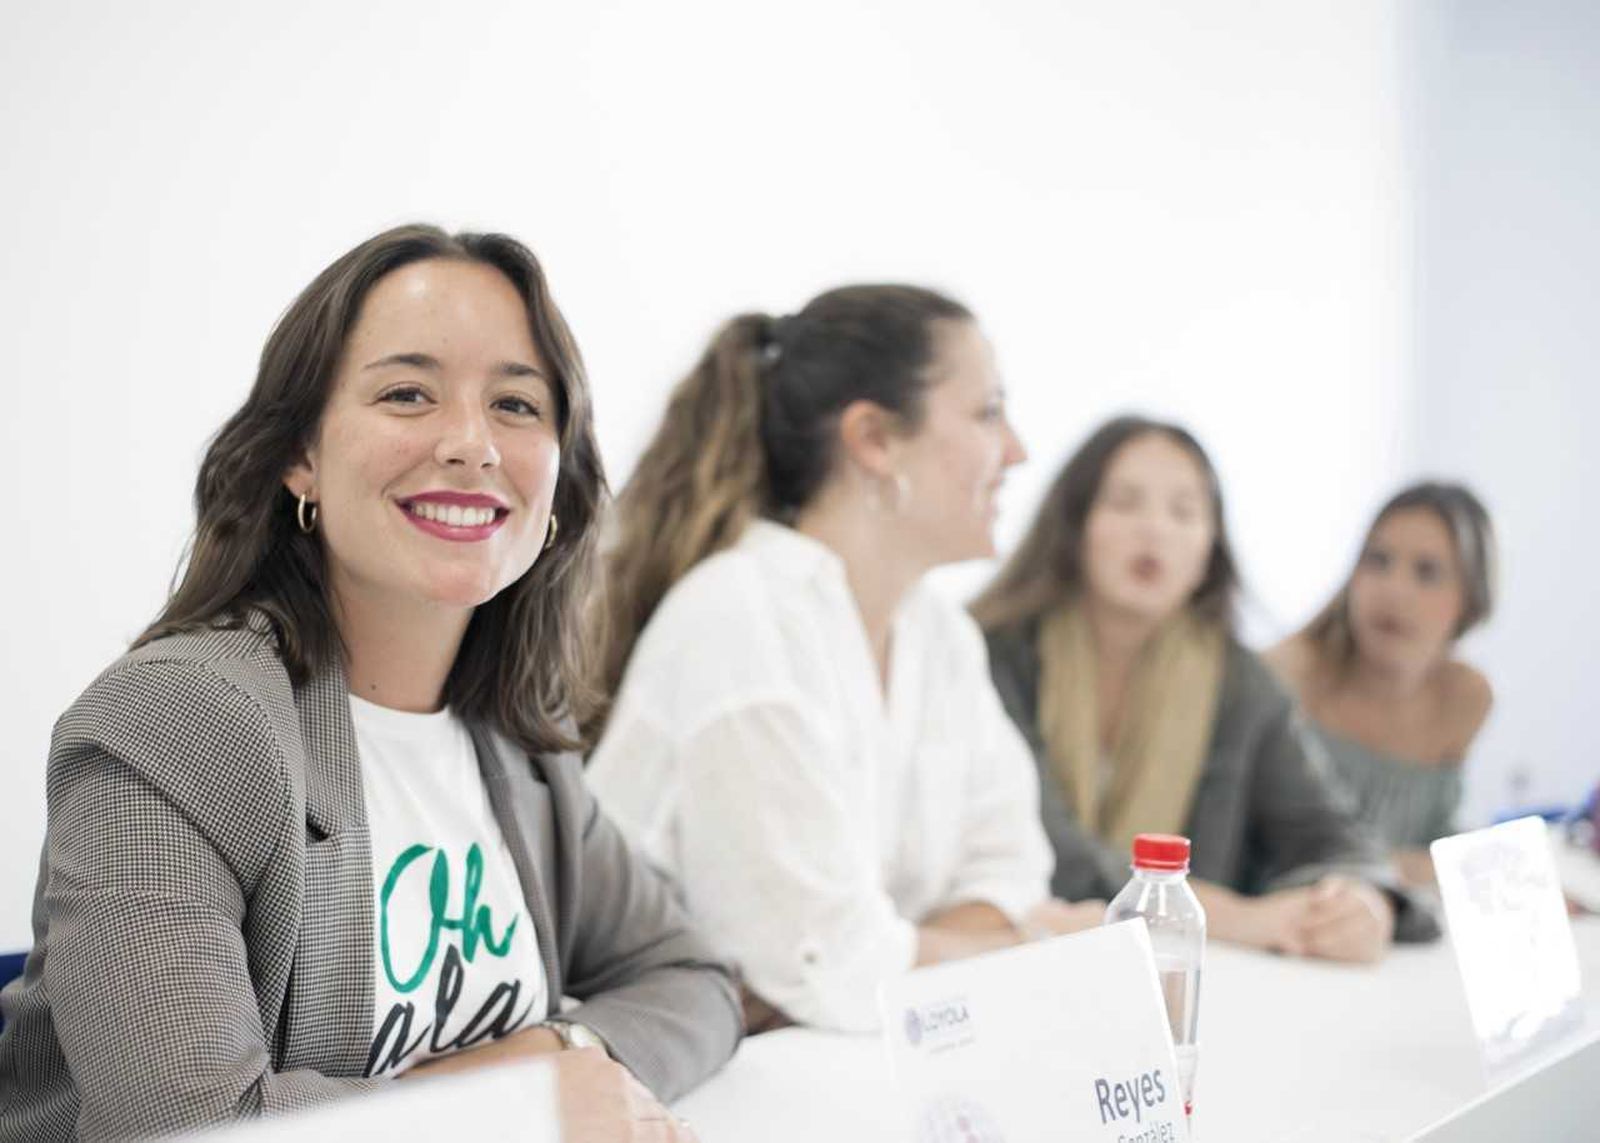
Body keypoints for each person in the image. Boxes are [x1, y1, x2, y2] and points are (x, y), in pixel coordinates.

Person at [0, 225, 738, 1143]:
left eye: (516, 404)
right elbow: (184, 1129)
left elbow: (695, 979)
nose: (471, 444)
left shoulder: (517, 745)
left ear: (558, 483)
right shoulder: (179, 722)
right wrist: (512, 1104)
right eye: (407, 394)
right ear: (299, 457)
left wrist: (558, 1046)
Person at [586, 286, 1102, 1033]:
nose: (1017, 450)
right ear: (874, 438)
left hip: (828, 1065)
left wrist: (923, 950)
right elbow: (830, 970)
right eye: (988, 411)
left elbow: (1015, 870)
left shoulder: (941, 635)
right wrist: (1030, 945)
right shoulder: (741, 620)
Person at [973, 415, 1438, 963]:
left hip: (1184, 992)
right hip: (1008, 970)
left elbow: (1337, 838)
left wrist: (1362, 902)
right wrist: (1235, 917)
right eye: (1125, 503)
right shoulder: (991, 657)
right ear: (1076, 527)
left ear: (1206, 553)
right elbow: (1049, 855)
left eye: (1184, 513)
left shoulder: (1241, 685)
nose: (1154, 530)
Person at [1267, 482, 1496, 886]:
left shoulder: (1466, 696)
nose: (1394, 591)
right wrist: (1430, 869)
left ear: (1471, 601)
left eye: (1427, 572)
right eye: (1378, 561)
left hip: (1396, 935)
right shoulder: (1283, 674)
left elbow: (1439, 838)